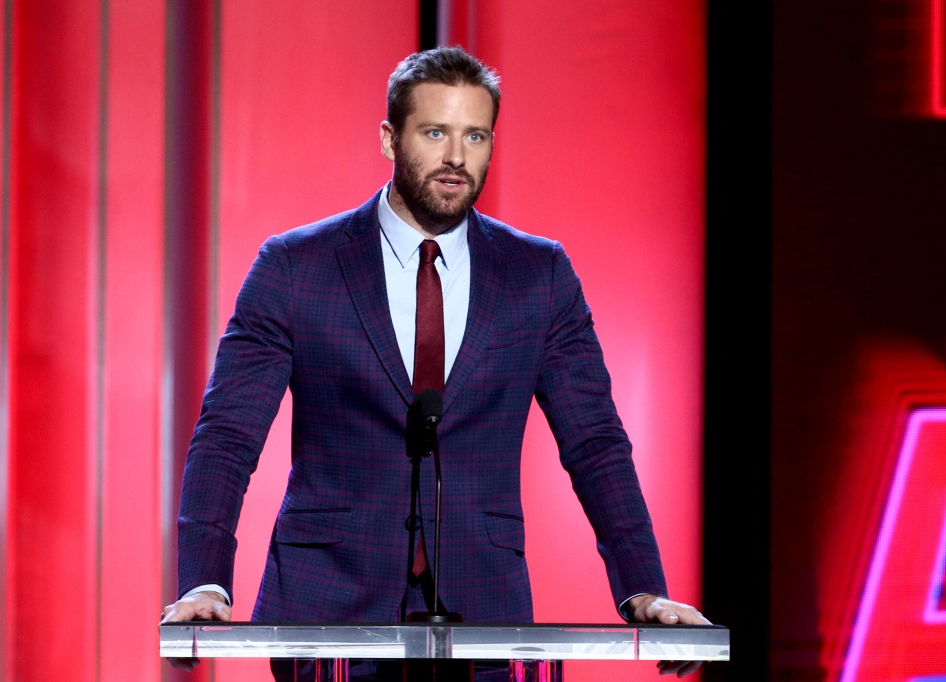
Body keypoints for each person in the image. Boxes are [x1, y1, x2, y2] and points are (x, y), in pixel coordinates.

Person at [161, 46, 710, 679]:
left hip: (484, 607)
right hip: (327, 606)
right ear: (390, 139)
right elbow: (228, 435)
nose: (456, 156)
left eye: (475, 135)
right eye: (435, 132)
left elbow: (595, 442)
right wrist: (204, 581)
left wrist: (643, 586)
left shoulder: (539, 274)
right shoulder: (295, 266)